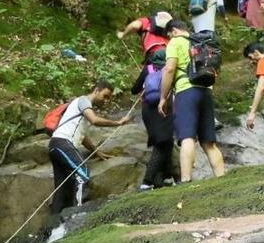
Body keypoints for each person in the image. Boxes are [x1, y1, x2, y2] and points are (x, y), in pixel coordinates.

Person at [48, 80, 130, 214]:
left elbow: (82, 136)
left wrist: (96, 151)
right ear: (96, 90)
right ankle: (78, 213)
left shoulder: (79, 108)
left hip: (55, 145)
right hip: (63, 143)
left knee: (62, 188)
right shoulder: (84, 101)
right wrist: (118, 122)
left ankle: (55, 224)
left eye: (109, 98)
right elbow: (95, 120)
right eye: (105, 96)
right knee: (83, 173)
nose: (106, 100)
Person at [158, 20, 225, 182]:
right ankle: (222, 178)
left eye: (168, 35)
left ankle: (186, 180)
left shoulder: (176, 41)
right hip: (206, 91)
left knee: (187, 137)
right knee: (209, 141)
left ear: (173, 31)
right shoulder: (202, 42)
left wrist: (163, 97)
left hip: (186, 91)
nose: (168, 39)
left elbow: (170, 69)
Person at [131, 49, 177, 190]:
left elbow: (134, 89)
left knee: (166, 142)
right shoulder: (170, 68)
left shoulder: (148, 68)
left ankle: (168, 177)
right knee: (162, 144)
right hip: (164, 107)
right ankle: (147, 182)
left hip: (148, 111)